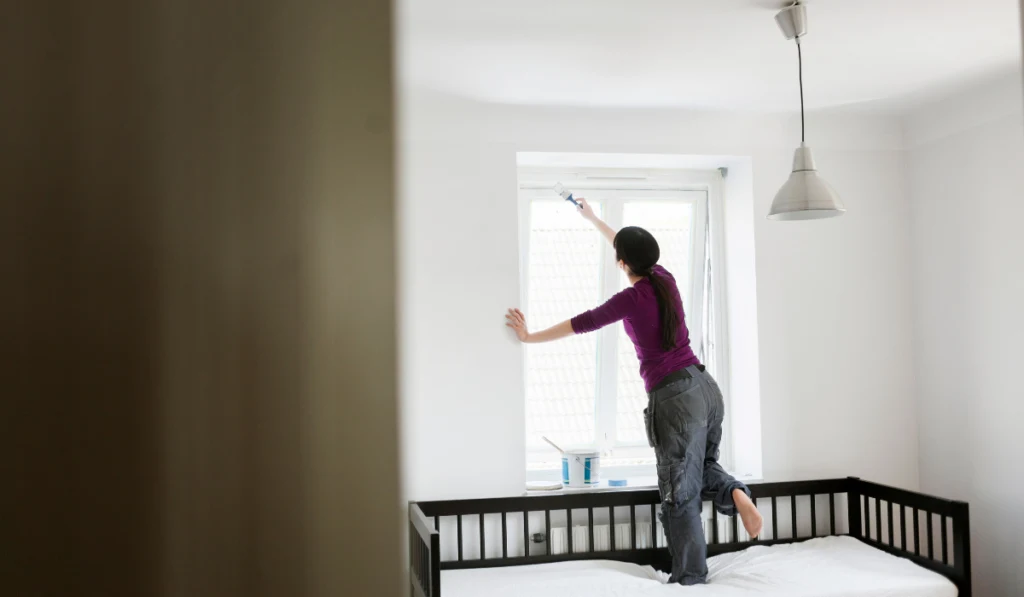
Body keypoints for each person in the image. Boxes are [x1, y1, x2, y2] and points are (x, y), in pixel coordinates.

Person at [504, 197, 763, 585]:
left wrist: (528, 337)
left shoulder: (632, 297)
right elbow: (628, 250)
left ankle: (691, 580)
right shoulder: (665, 278)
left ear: (621, 262)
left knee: (680, 495)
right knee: (704, 466)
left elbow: (582, 323)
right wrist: (593, 219)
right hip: (705, 386)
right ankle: (736, 494)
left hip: (675, 398)